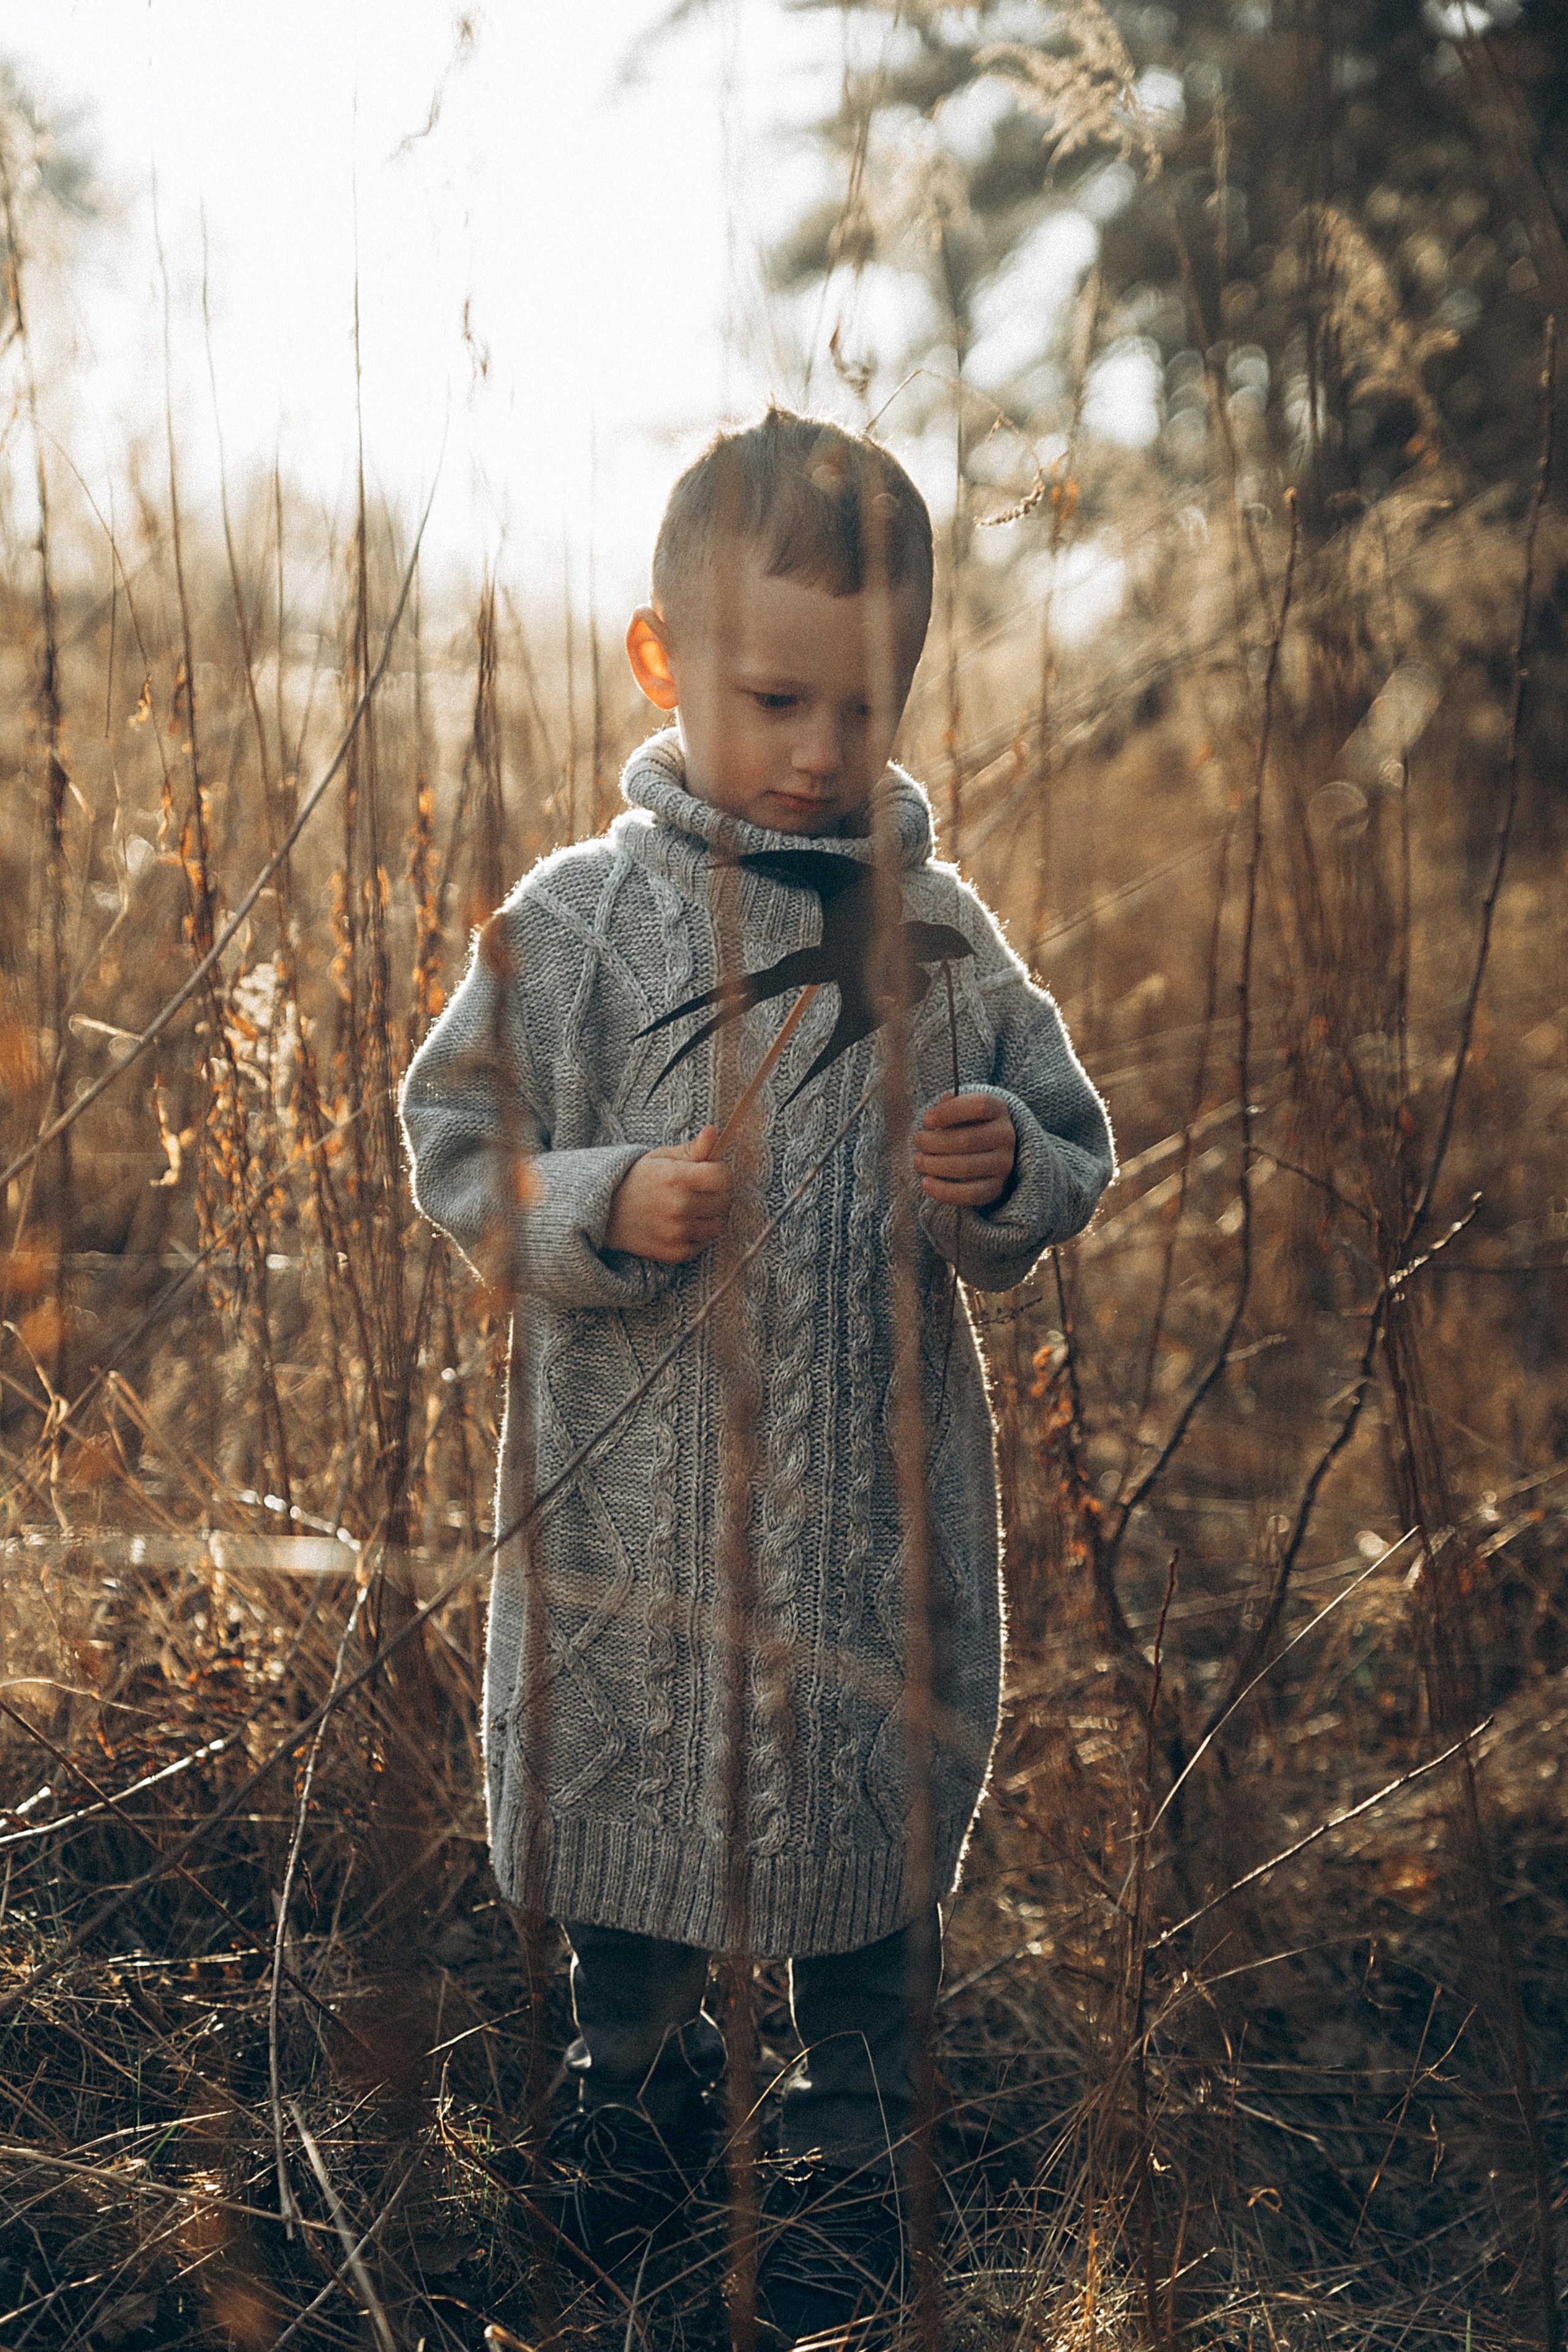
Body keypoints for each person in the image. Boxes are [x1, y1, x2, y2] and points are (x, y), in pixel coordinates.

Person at [399, 407, 1115, 2345]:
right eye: (773, 697)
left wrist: (1000, 1177)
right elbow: (455, 1152)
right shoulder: (576, 923)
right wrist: (602, 1203)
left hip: (862, 1527)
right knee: (629, 1845)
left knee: (865, 1844)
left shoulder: (940, 935)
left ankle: (853, 2148)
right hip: (628, 1517)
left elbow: (1068, 1142)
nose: (818, 750)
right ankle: (621, 2108)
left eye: (861, 706)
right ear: (660, 661)